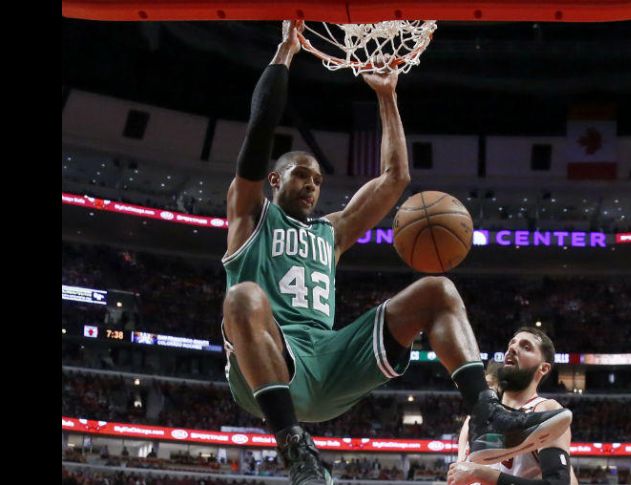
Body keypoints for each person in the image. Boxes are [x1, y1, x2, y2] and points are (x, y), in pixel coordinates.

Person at [220, 20, 571, 485]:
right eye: (302, 174)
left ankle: (488, 417)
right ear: (275, 180)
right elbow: (260, 129)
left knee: (438, 291)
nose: (312, 184)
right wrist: (285, 52)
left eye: (319, 179)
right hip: (269, 367)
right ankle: (295, 449)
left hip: (330, 361)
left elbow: (395, 179)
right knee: (244, 297)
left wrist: (387, 96)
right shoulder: (250, 217)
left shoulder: (334, 231)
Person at [448, 327, 579, 485]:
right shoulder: (474, 419)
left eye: (526, 347)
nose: (512, 348)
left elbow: (558, 483)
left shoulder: (544, 410)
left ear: (543, 368)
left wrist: (484, 474)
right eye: (512, 343)